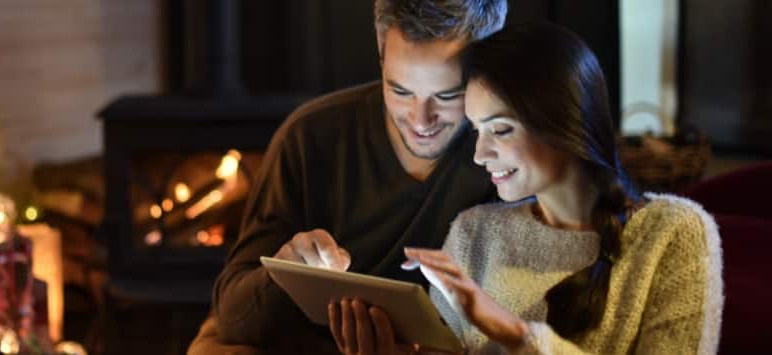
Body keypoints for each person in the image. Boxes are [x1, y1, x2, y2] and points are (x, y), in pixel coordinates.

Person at [328, 23, 724, 354]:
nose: (480, 154)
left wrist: (514, 332)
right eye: (478, 130)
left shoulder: (673, 232)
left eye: (500, 130)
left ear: (564, 123)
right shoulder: (474, 232)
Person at [187, 0, 508, 353]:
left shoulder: (512, 154)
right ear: (380, 51)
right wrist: (283, 271)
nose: (420, 120)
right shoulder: (312, 136)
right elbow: (232, 317)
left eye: (447, 96)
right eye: (400, 91)